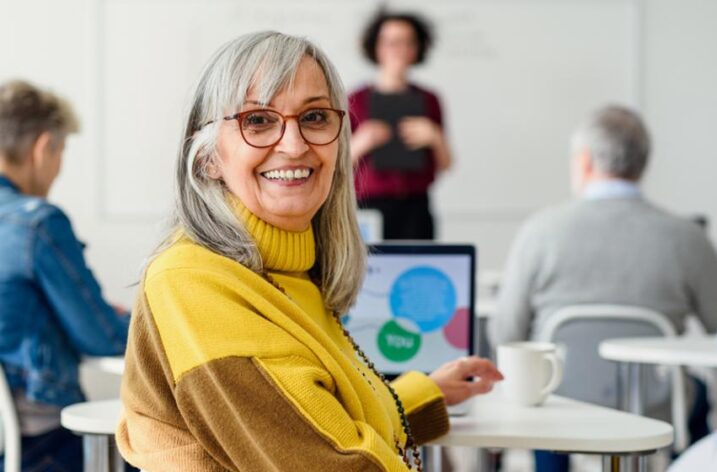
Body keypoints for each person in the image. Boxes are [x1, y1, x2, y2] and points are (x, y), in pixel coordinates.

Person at [116, 31, 502, 471]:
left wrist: (422, 394)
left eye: (315, 116)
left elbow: (315, 424)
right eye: (257, 120)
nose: (295, 144)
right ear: (207, 157)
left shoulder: (294, 271)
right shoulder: (193, 280)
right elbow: (328, 462)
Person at [492, 105, 717, 471]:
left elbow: (506, 332)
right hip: (656, 408)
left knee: (537, 398)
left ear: (583, 162)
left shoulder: (540, 232)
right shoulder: (687, 238)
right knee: (696, 393)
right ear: (643, 164)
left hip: (559, 402)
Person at [0, 80, 131, 470]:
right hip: (40, 448)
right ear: (44, 148)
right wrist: (136, 323)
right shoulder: (38, 225)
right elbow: (101, 337)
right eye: (61, 153)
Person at [349, 11, 452, 240]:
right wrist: (361, 142)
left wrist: (435, 137)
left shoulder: (430, 99)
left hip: (416, 208)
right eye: (392, 42)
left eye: (407, 42)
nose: (399, 49)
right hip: (368, 207)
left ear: (417, 48)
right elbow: (337, 166)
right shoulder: (355, 100)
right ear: (376, 47)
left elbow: (447, 164)